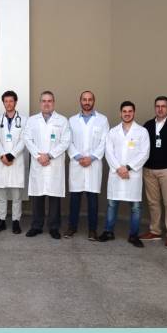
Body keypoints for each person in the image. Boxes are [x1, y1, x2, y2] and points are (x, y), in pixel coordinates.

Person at [99, 101, 150, 247]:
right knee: (112, 204)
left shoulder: (142, 132)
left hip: (132, 175)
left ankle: (133, 235)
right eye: (124, 111)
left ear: (134, 112)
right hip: (116, 174)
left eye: (130, 111)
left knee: (136, 207)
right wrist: (119, 169)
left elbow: (144, 153)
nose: (127, 114)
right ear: (120, 113)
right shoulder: (113, 132)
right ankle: (108, 231)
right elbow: (108, 152)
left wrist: (127, 168)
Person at [23, 90, 71, 239]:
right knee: (37, 197)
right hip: (38, 163)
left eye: (49, 101)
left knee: (54, 197)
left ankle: (54, 227)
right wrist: (39, 156)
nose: (46, 103)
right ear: (40, 103)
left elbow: (65, 142)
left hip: (53, 163)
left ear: (53, 103)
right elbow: (27, 139)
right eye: (44, 101)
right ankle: (36, 226)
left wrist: (49, 155)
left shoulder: (62, 120)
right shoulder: (32, 120)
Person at [65, 91, 109, 241]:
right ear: (80, 101)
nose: (87, 102)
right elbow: (68, 141)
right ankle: (72, 227)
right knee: (74, 199)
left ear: (94, 101)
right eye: (84, 99)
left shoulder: (102, 120)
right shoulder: (72, 120)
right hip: (77, 164)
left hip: (93, 164)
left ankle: (92, 230)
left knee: (93, 201)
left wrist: (91, 158)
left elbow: (104, 142)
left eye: (90, 99)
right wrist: (78, 157)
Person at [139, 96, 167, 248]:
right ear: (154, 108)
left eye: (163, 106)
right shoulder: (148, 125)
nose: (160, 109)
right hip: (149, 170)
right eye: (157, 106)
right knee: (153, 202)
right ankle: (155, 231)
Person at [0, 90, 28, 235]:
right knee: (1, 194)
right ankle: (1, 220)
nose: (8, 104)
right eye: (6, 101)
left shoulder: (23, 120)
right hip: (2, 161)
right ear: (3, 103)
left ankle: (15, 221)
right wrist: (3, 155)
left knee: (16, 195)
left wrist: (11, 155)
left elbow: (24, 139)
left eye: (11, 101)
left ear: (15, 102)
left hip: (15, 160)